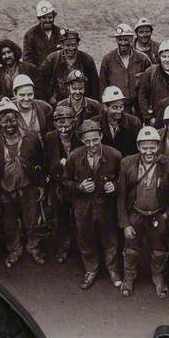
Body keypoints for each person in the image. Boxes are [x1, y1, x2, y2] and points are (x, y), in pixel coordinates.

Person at [117, 126, 169, 299]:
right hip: (135, 214)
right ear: (138, 147)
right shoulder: (126, 163)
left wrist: (167, 215)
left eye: (152, 147)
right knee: (130, 249)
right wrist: (125, 224)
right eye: (144, 147)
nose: (148, 151)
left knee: (159, 250)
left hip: (158, 215)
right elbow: (121, 196)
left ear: (158, 146)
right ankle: (128, 278)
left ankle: (158, 278)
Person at [0, 97, 45, 268]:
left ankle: (34, 247)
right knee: (9, 222)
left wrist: (41, 185)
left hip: (29, 187)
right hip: (5, 190)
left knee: (32, 219)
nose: (9, 124)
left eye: (12, 119)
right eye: (5, 120)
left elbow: (41, 163)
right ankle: (15, 250)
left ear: (18, 118)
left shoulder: (31, 137)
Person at [63, 120, 123, 290]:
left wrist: (115, 186)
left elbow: (124, 180)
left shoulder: (115, 155)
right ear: (82, 140)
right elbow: (65, 181)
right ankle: (91, 269)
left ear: (101, 136)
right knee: (85, 238)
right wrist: (79, 187)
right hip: (83, 207)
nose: (92, 144)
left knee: (110, 238)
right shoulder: (75, 156)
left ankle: (113, 270)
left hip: (106, 206)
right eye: (87, 141)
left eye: (95, 140)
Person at [43, 102, 82, 263]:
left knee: (80, 216)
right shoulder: (49, 138)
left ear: (73, 121)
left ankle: (83, 247)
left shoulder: (80, 137)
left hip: (77, 183)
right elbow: (45, 162)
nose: (63, 127)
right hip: (58, 183)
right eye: (59, 122)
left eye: (67, 121)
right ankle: (64, 246)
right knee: (61, 217)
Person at [38, 28, 100, 104]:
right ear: (62, 45)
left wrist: (91, 104)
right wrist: (50, 97)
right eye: (67, 45)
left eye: (74, 45)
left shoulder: (87, 60)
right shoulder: (52, 59)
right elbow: (41, 81)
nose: (71, 48)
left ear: (77, 44)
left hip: (81, 102)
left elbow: (95, 86)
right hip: (57, 103)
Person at [98, 23, 150, 107]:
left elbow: (150, 84)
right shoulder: (108, 59)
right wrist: (104, 105)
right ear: (116, 40)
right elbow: (102, 86)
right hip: (115, 106)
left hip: (138, 107)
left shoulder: (143, 59)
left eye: (126, 40)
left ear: (131, 39)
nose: (123, 43)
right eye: (119, 40)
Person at [137, 40, 169, 124]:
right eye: (164, 56)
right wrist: (149, 117)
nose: (167, 60)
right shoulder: (150, 72)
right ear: (159, 57)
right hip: (156, 119)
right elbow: (142, 96)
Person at [99, 85, 141, 158]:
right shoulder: (96, 123)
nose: (119, 111)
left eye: (121, 107)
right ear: (105, 107)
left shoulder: (134, 123)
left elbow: (137, 151)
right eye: (114, 108)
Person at [22, 0, 63, 68]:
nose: (47, 20)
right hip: (38, 73)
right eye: (44, 17)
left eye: (50, 17)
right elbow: (27, 59)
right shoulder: (30, 35)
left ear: (53, 17)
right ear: (39, 18)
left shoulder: (60, 33)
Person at [12, 73, 53, 137]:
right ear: (15, 94)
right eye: (22, 95)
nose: (26, 98)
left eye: (30, 94)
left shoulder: (44, 107)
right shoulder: (9, 109)